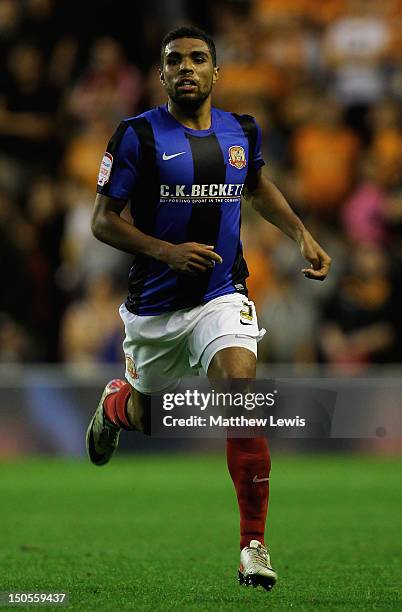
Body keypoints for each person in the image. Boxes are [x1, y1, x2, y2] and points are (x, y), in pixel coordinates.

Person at [86, 26, 331, 592]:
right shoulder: (136, 136)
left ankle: (253, 546)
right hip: (153, 310)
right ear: (162, 74)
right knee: (152, 416)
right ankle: (120, 405)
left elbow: (258, 185)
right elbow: (103, 220)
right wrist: (165, 251)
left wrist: (300, 235)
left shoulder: (241, 130)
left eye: (199, 59)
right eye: (175, 61)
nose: (187, 68)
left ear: (216, 72)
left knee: (242, 396)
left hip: (222, 295)